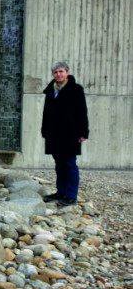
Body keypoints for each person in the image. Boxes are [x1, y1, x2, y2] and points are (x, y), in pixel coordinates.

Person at [41, 62, 89, 206]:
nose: (59, 74)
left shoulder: (75, 89)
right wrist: (44, 130)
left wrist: (83, 132)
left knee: (69, 163)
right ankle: (60, 191)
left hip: (70, 134)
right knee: (59, 163)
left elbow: (82, 111)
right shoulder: (51, 90)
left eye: (61, 71)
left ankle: (71, 195)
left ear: (67, 72)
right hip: (54, 134)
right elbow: (46, 112)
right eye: (55, 72)